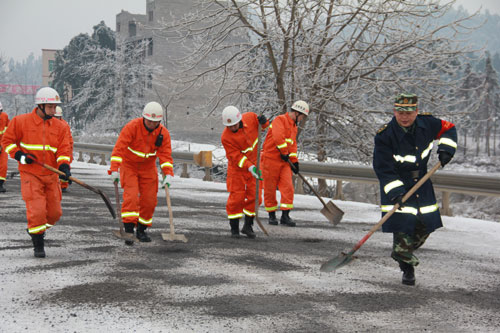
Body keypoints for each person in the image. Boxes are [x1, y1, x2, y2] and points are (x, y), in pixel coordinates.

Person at [373, 93, 457, 286]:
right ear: (394, 112)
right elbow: (383, 168)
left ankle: (402, 251)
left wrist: (446, 149)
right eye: (400, 112)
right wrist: (396, 192)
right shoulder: (385, 135)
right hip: (397, 184)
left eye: (409, 112)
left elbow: (449, 129)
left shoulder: (427, 124)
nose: (404, 117)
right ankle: (407, 268)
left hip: (422, 182)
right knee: (403, 226)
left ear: (416, 112)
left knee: (426, 224)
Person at [1, 87, 72, 258]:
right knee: (37, 211)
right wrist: (19, 155)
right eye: (50, 107)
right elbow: (7, 141)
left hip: (51, 175)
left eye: (55, 107)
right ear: (40, 106)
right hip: (30, 174)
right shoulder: (21, 121)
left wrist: (64, 165)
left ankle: (35, 230)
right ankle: (38, 244)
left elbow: (64, 149)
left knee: (55, 214)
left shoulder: (61, 126)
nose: (54, 111)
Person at [108, 102, 173, 245]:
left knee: (149, 200)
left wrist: (168, 173)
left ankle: (142, 230)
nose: (151, 124)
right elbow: (119, 148)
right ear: (144, 118)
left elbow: (165, 155)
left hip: (148, 167)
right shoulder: (132, 127)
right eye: (149, 121)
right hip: (129, 165)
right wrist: (114, 169)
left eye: (155, 122)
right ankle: (129, 230)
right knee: (131, 197)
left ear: (159, 122)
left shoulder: (163, 134)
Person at [221, 106, 269, 239]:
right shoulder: (226, 137)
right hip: (237, 169)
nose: (232, 128)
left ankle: (248, 225)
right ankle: (234, 228)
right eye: (229, 126)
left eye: (234, 125)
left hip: (256, 163)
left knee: (256, 196)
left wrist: (264, 122)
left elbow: (264, 127)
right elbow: (236, 157)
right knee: (237, 198)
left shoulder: (251, 117)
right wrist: (249, 167)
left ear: (239, 120)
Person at [261, 100, 309, 227]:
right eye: (302, 116)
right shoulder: (280, 120)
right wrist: (283, 151)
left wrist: (295, 162)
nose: (302, 119)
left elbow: (292, 146)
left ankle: (285, 216)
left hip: (284, 162)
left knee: (288, 187)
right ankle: (271, 215)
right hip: (270, 159)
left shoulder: (294, 127)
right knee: (270, 188)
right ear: (297, 113)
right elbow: (278, 137)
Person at [54, 106, 74, 192]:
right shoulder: (49, 125)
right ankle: (56, 184)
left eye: (58, 117)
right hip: (54, 150)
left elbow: (68, 140)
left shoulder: (64, 126)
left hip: (65, 149)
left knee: (64, 167)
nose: (56, 119)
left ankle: (63, 185)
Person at [0, 101, 10, 193]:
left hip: (2, 145)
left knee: (3, 165)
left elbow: (8, 130)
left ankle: (0, 183)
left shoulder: (4, 117)